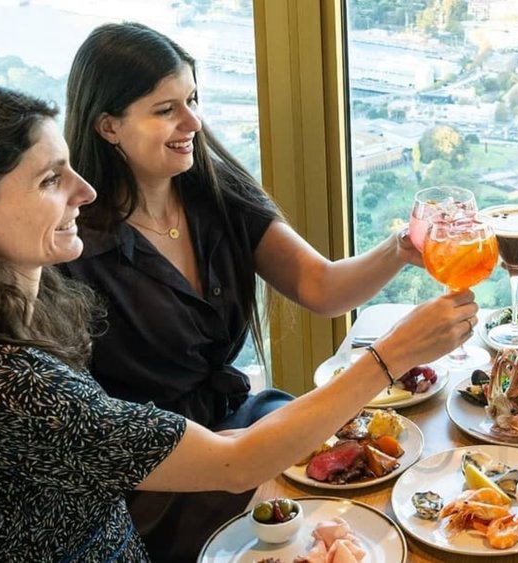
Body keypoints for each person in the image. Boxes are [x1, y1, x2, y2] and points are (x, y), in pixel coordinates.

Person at [0, 82, 477, 560]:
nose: (83, 191)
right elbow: (236, 462)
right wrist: (391, 357)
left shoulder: (30, 310)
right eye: (50, 180)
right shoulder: (3, 381)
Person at [60, 22, 439, 559]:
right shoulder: (73, 245)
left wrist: (400, 247)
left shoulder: (215, 190)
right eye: (165, 109)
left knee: (384, 496)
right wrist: (393, 352)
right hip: (160, 480)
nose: (192, 121)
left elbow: (322, 286)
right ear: (108, 126)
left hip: (246, 421)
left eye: (192, 98)